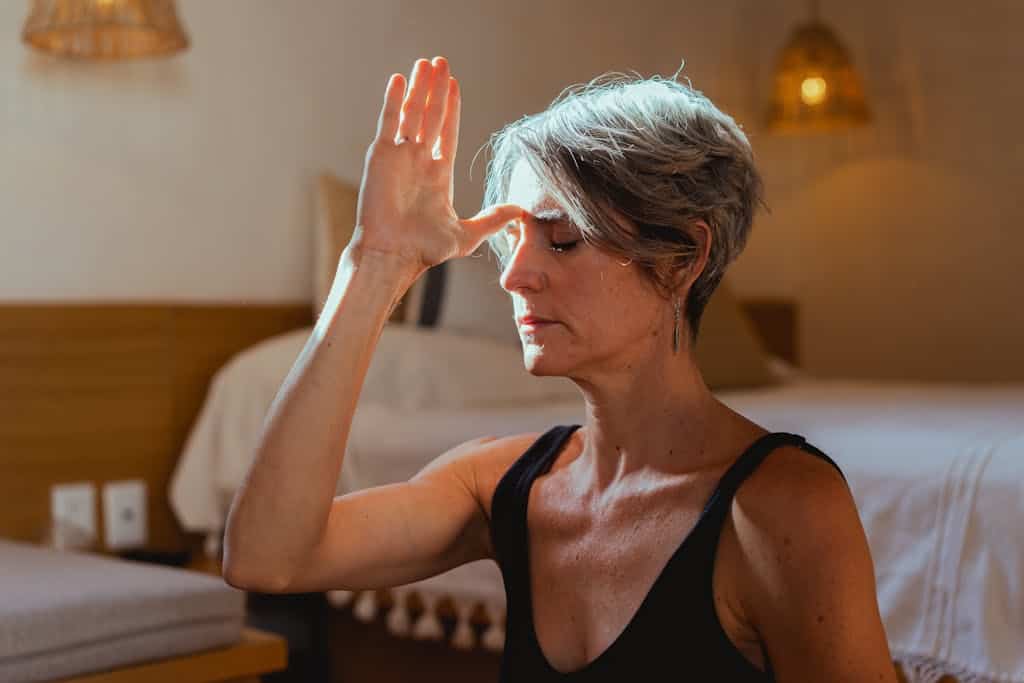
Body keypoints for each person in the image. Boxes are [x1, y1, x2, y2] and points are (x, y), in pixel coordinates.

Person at [223, 55, 898, 682]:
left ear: (682, 260)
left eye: (564, 239)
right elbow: (265, 558)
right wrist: (375, 264)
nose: (514, 274)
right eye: (516, 238)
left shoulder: (783, 508)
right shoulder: (498, 486)